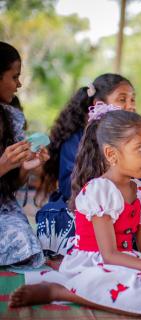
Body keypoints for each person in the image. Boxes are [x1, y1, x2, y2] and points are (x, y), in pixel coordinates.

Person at [9, 106, 141, 318]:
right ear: (111, 154)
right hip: (96, 264)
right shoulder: (100, 190)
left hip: (129, 260)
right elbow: (109, 254)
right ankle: (61, 291)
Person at [36, 74, 141, 258]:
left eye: (133, 99)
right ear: (98, 104)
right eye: (122, 99)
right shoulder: (76, 141)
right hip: (93, 215)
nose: (131, 105)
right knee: (53, 216)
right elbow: (68, 189)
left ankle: (133, 246)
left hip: (135, 216)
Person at [0, 41, 48, 267]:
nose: (18, 84)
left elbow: (9, 188)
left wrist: (24, 169)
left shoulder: (10, 118)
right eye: (14, 77)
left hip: (4, 211)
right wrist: (3, 164)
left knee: (26, 241)